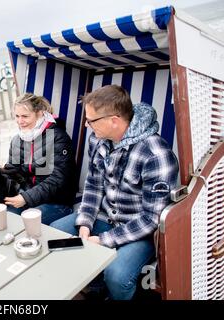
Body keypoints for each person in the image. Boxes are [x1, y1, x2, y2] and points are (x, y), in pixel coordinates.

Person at [50, 85, 179, 300]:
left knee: (117, 275)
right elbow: (93, 184)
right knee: (56, 234)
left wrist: (103, 240)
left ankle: (118, 293)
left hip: (139, 230)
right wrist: (85, 222)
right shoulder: (97, 140)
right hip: (105, 217)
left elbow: (151, 219)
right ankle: (97, 287)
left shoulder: (156, 154)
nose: (86, 125)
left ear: (114, 120)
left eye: (91, 120)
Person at [3, 93, 76, 225]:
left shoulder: (58, 138)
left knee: (26, 223)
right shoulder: (17, 140)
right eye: (17, 116)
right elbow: (11, 172)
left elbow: (58, 179)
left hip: (57, 202)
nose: (20, 121)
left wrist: (26, 197)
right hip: (27, 196)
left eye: (25, 116)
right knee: (6, 218)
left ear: (40, 113)